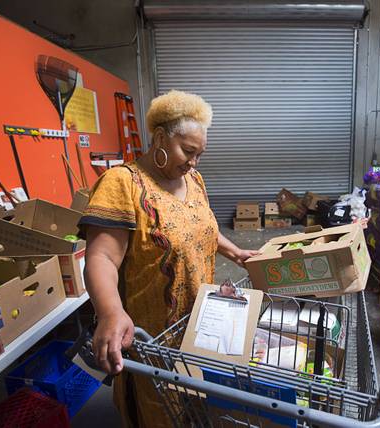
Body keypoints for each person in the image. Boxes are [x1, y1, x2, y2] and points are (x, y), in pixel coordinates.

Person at [79, 90, 258, 428]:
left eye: (199, 155)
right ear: (160, 137)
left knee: (196, 406)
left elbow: (200, 226)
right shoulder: (122, 183)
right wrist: (110, 312)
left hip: (200, 325)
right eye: (187, 151)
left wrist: (235, 252)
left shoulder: (193, 179)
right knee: (160, 410)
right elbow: (101, 255)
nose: (193, 162)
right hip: (153, 339)